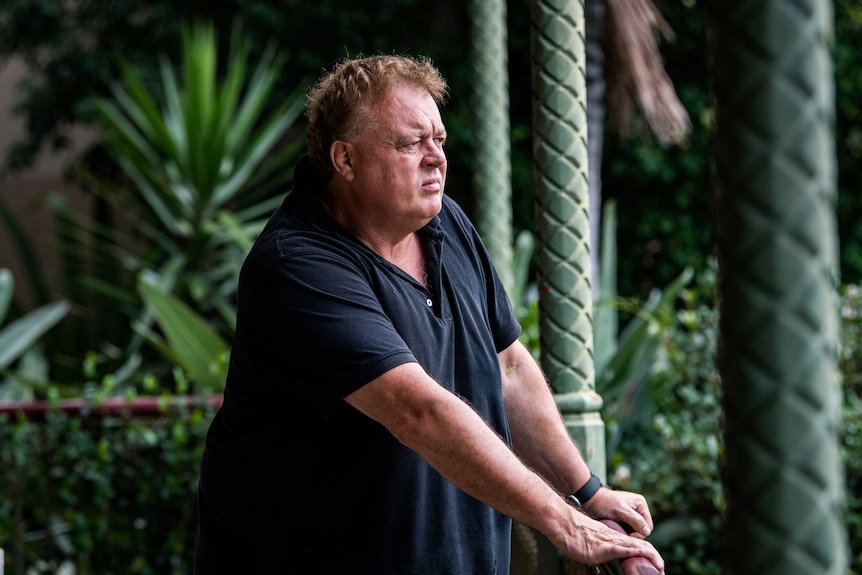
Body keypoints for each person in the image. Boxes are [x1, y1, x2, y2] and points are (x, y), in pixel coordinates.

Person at [193, 54, 665, 575]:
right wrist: (564, 523)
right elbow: (418, 413)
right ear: (344, 161)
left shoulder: (446, 221)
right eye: (410, 143)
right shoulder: (297, 267)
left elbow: (508, 369)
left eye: (438, 140)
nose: (436, 158)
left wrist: (587, 492)